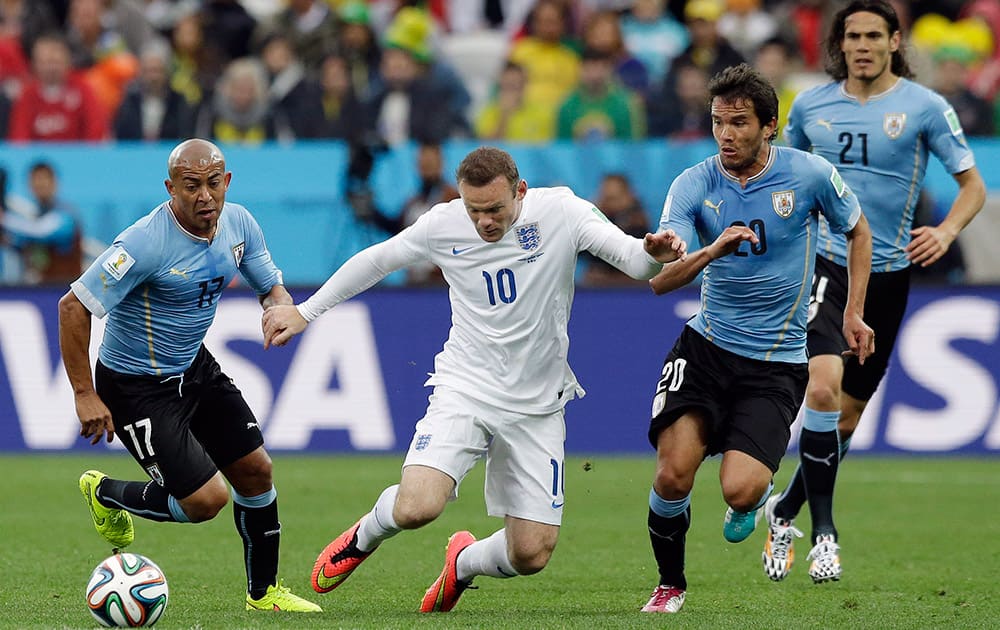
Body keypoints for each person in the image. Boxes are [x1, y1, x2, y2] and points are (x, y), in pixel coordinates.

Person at [261, 146, 687, 613]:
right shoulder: (443, 223)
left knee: (530, 554)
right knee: (416, 508)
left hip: (537, 405)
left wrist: (653, 253)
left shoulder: (562, 212)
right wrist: (305, 311)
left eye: (495, 210)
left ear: (520, 191)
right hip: (466, 387)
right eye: (474, 210)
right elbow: (378, 260)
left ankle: (462, 563)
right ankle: (364, 536)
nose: (484, 222)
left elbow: (634, 261)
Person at [763, 0, 986, 585]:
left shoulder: (925, 108)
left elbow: (971, 186)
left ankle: (784, 509)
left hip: (889, 273)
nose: (861, 45)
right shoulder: (810, 106)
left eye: (872, 35)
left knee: (847, 418)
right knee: (824, 384)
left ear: (894, 41)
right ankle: (825, 535)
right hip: (825, 265)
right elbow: (782, 179)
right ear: (839, 44)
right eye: (852, 36)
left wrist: (947, 229)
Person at [639, 63, 874, 614]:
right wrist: (702, 250)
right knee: (673, 475)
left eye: (739, 122)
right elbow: (661, 282)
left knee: (738, 491)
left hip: (776, 363)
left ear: (770, 125)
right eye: (718, 122)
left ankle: (757, 499)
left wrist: (853, 313)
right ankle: (670, 585)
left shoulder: (809, 175)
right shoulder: (693, 183)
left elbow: (857, 229)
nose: (726, 134)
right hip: (706, 350)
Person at [58, 139, 321, 614]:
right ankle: (104, 493)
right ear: (170, 188)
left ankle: (264, 595)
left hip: (193, 368)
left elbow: (270, 287)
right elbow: (73, 306)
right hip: (134, 386)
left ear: (227, 182)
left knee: (256, 470)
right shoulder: (142, 243)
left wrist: (280, 308)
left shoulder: (239, 223)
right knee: (205, 502)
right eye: (191, 185)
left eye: (213, 183)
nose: (205, 196)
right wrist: (84, 393)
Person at [0, 160, 83, 285]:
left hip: (65, 290)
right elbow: (26, 245)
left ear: (55, 182)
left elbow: (41, 231)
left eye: (44, 179)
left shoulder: (66, 214)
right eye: (35, 180)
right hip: (41, 290)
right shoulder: (34, 216)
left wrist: (4, 219)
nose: (40, 184)